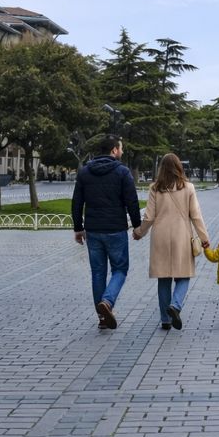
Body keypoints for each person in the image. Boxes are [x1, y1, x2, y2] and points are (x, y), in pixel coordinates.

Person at [133, 153, 210, 331]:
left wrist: (139, 233)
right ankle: (175, 305)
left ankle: (165, 320)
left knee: (164, 278)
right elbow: (196, 216)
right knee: (184, 275)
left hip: (160, 236)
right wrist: (204, 239)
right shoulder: (188, 188)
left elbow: (149, 216)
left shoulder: (154, 188)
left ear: (161, 168)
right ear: (179, 167)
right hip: (182, 235)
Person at [71, 134, 140, 331]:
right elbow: (132, 201)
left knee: (98, 273)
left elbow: (77, 202)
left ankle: (102, 317)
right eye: (121, 148)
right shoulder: (122, 172)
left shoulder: (85, 172)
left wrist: (78, 228)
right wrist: (137, 226)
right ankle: (108, 302)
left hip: (93, 230)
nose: (123, 151)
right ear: (114, 150)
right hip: (115, 229)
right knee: (120, 269)